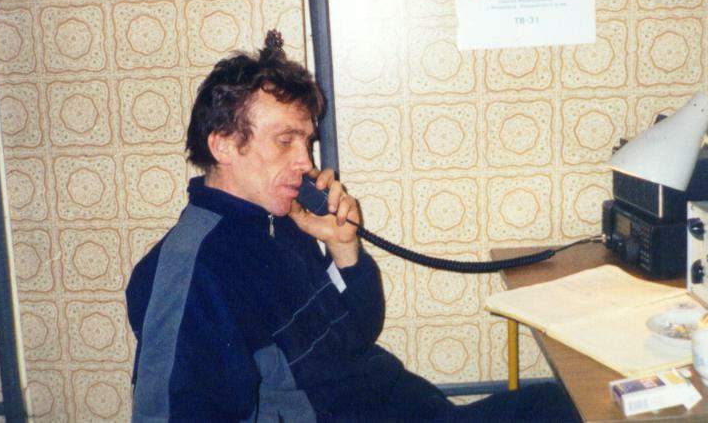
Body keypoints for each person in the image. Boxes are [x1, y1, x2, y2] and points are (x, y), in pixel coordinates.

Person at [126, 31, 578, 422]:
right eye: (285, 141)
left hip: (419, 411)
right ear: (224, 145)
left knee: (565, 402)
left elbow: (357, 333)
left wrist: (345, 249)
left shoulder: (280, 221)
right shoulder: (189, 274)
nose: (305, 162)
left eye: (306, 142)